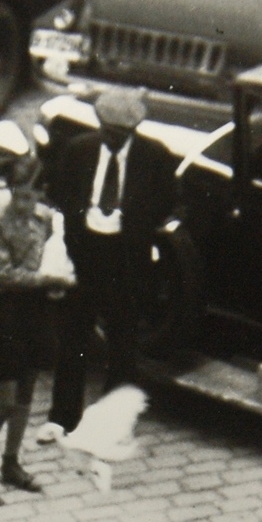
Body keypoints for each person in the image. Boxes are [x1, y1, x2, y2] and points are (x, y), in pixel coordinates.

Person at [45, 87, 178, 433]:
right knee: (73, 338)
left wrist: (134, 221)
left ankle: (111, 421)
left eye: (120, 135)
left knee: (122, 342)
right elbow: (60, 192)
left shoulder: (155, 156)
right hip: (84, 252)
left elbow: (168, 201)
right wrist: (78, 223)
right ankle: (63, 418)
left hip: (126, 258)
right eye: (107, 132)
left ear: (133, 130)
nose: (111, 140)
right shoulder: (79, 150)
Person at [0, 161, 74, 506]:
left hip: (37, 311)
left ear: (40, 194)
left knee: (26, 390)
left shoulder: (45, 219)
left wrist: (57, 282)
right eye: (18, 196)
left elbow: (53, 256)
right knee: (5, 399)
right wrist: (46, 280)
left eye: (30, 196)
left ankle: (11, 461)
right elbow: (1, 274)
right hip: (9, 312)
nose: (24, 204)